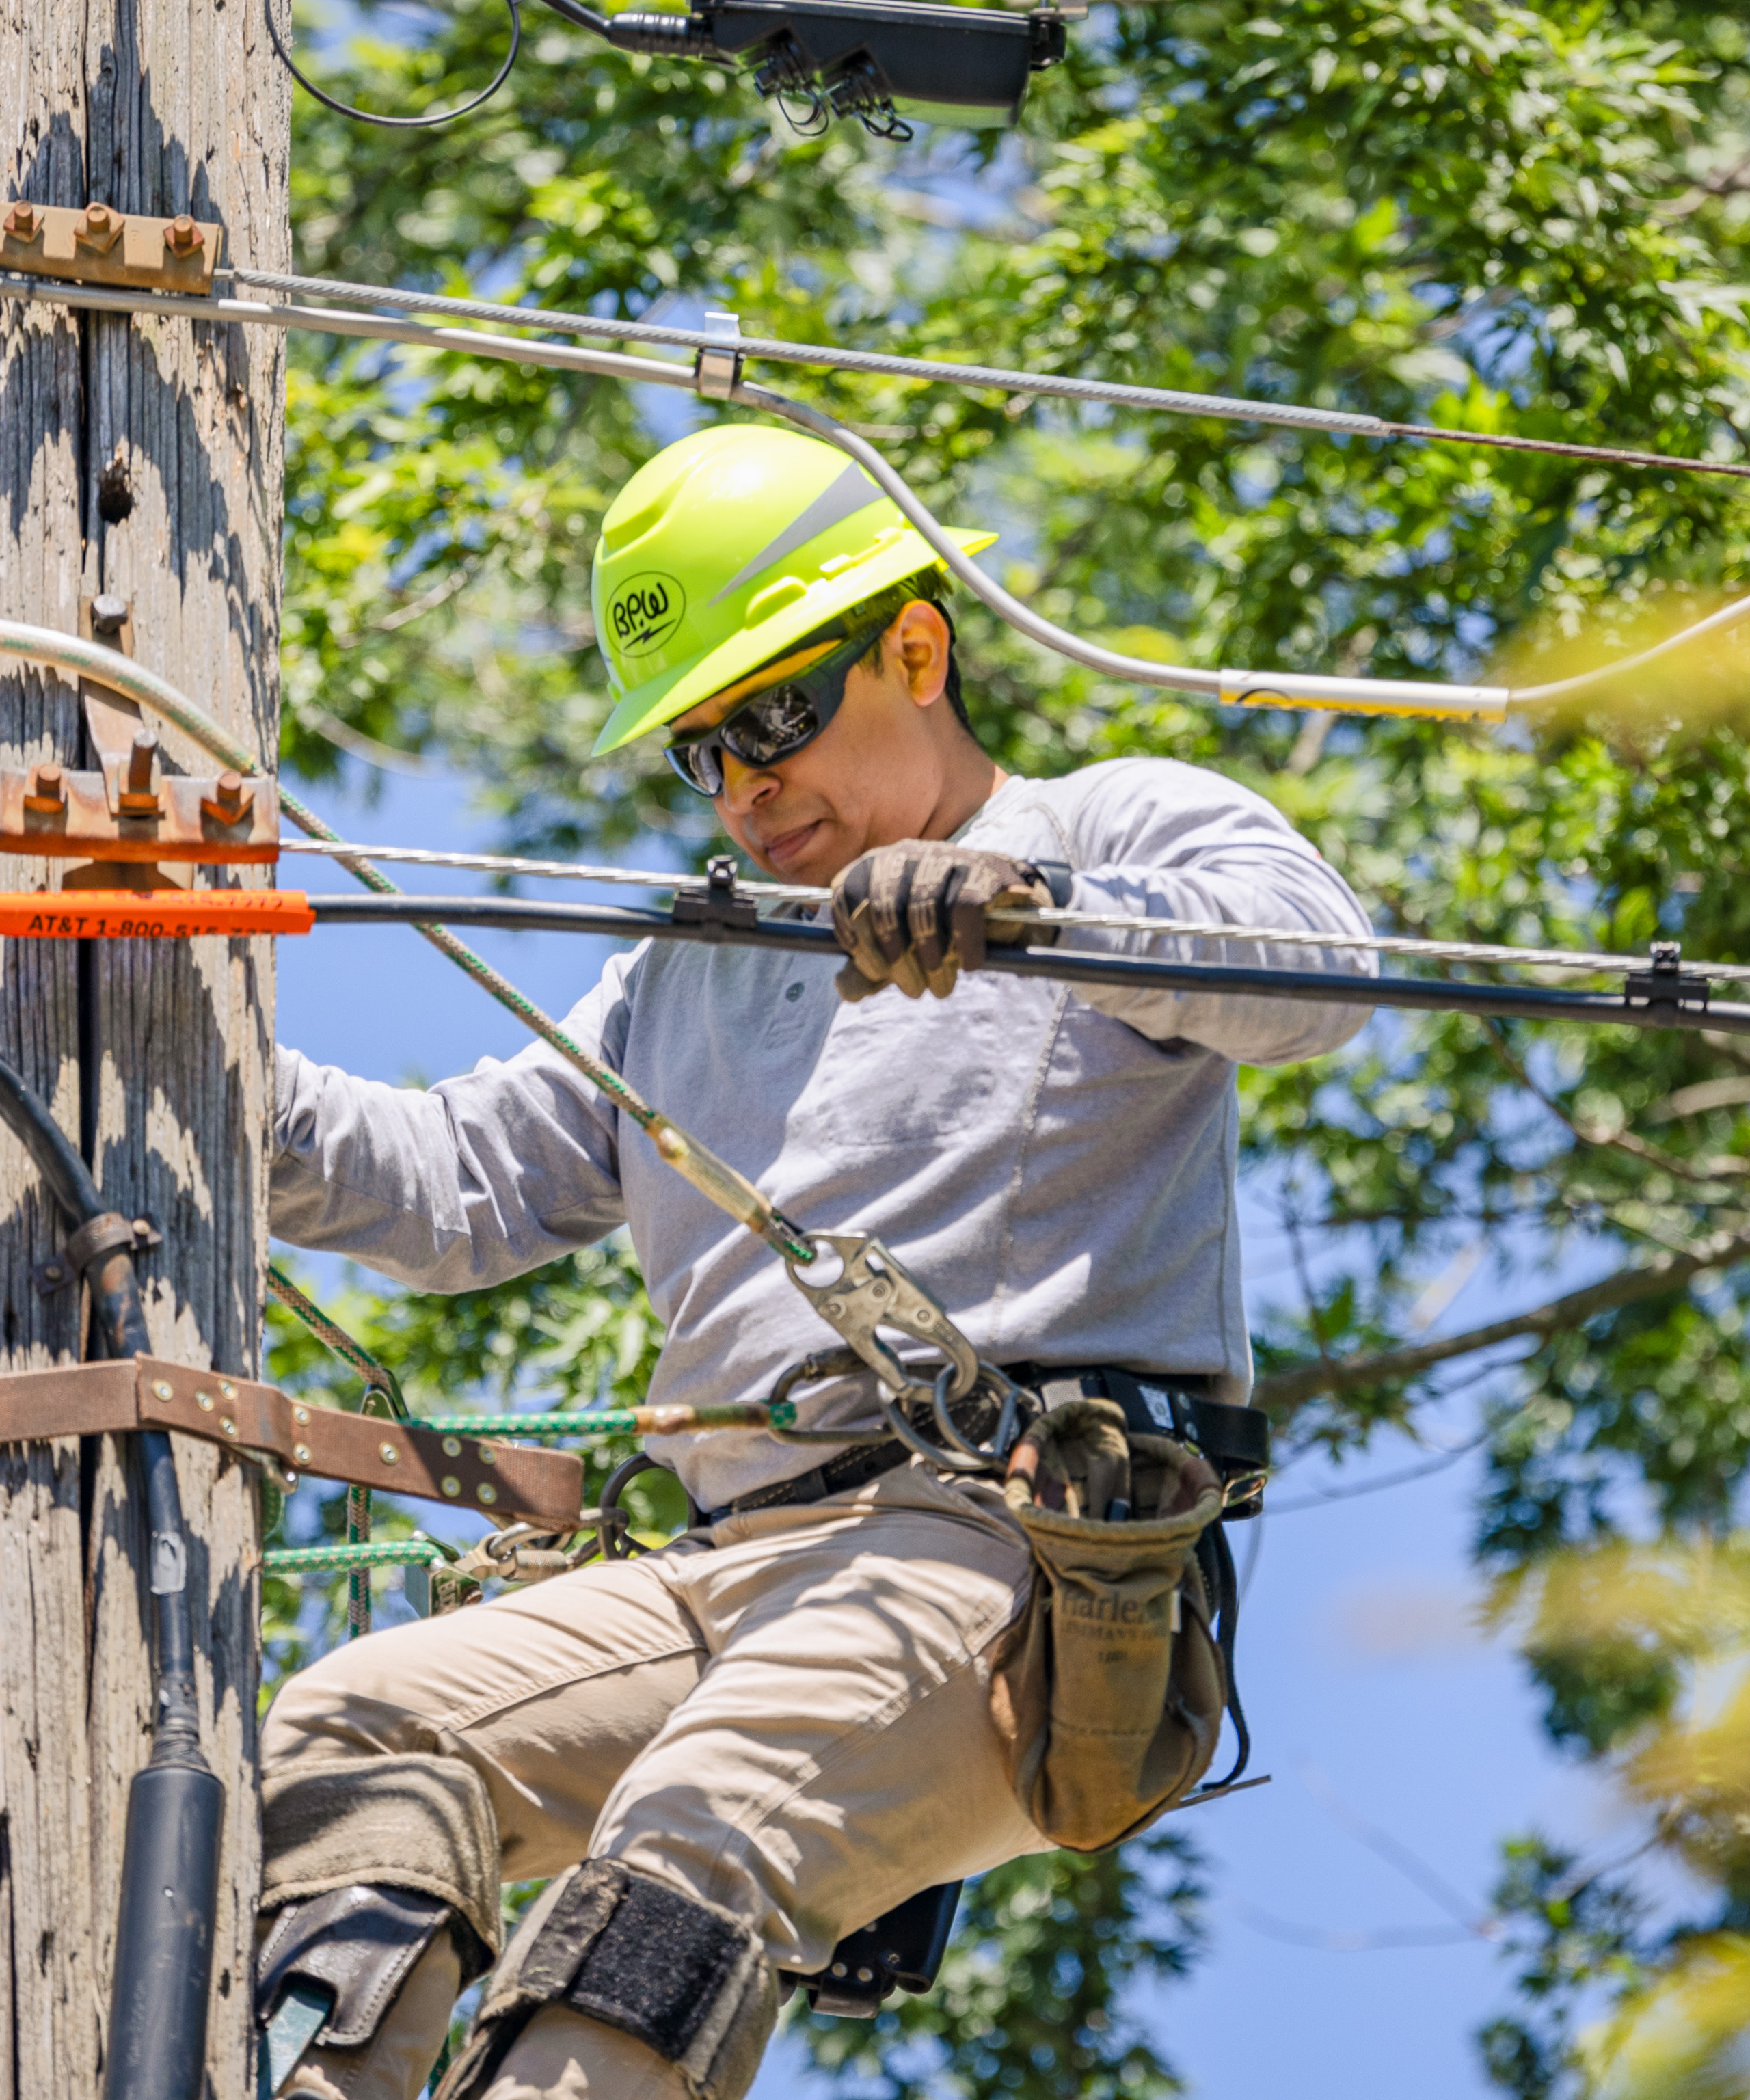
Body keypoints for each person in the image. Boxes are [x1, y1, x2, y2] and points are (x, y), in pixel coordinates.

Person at [252, 422, 1376, 2100]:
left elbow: (1321, 975)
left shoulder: (1112, 822)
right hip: (713, 1571)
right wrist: (195, 1065)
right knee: (349, 1742)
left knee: (683, 1854)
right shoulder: (688, 972)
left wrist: (1034, 903)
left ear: (914, 649)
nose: (745, 786)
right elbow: (453, 1187)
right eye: (700, 753)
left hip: (984, 1553)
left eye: (771, 720)